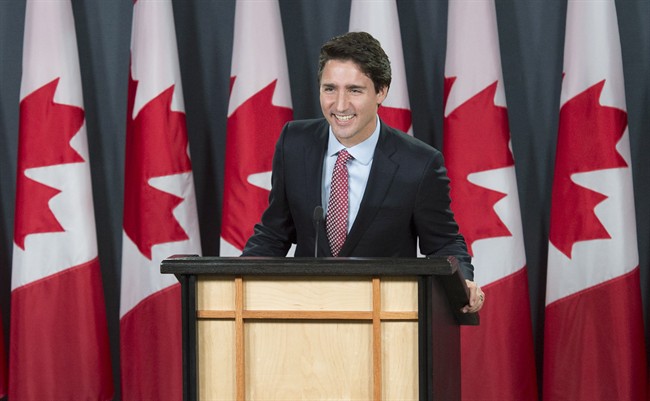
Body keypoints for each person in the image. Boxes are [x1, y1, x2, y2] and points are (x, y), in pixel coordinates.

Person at [242, 31, 484, 314]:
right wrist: (233, 279)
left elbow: (443, 243)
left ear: (381, 91)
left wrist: (463, 282)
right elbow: (274, 233)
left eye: (354, 90)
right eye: (329, 89)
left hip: (384, 317)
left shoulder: (418, 163)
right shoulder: (294, 143)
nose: (340, 105)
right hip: (306, 314)